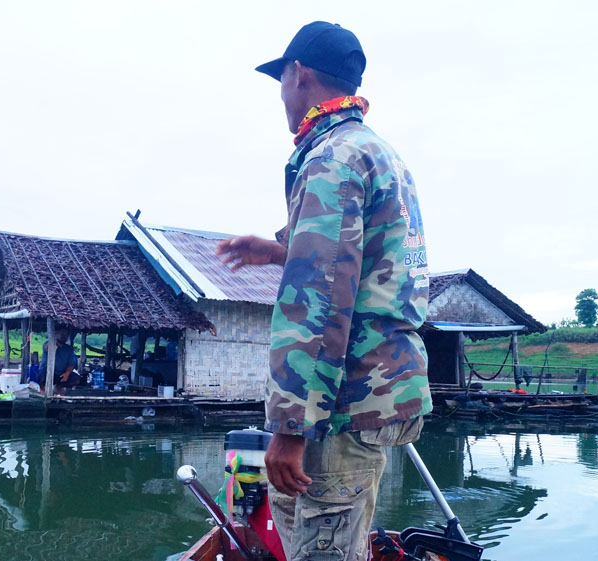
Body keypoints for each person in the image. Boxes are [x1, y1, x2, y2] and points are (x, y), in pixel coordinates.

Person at [216, 21, 432, 561]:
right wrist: (276, 249)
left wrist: (290, 428)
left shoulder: (331, 158)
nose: (282, 95)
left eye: (282, 80)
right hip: (373, 395)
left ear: (299, 74)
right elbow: (357, 258)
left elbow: (319, 300)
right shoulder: (378, 152)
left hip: (337, 407)